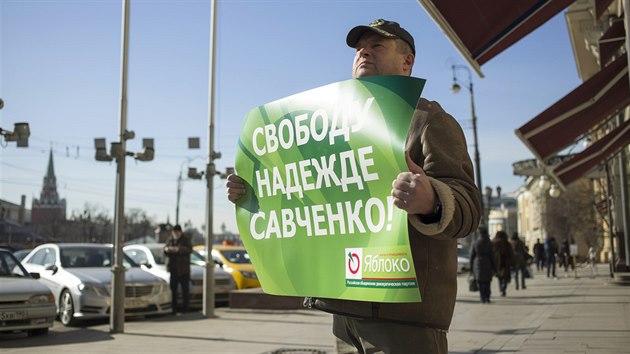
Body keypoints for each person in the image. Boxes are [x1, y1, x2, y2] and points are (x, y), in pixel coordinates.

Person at [226, 19, 482, 354]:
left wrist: (431, 199)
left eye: (377, 46)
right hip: (344, 311)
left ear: (407, 62)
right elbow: (308, 199)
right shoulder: (332, 129)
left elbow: (469, 209)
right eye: (360, 48)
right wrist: (256, 192)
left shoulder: (428, 120)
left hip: (404, 319)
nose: (363, 52)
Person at [164, 224, 192, 314]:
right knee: (173, 290)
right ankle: (174, 308)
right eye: (174, 232)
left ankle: (186, 308)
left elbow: (190, 249)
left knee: (185, 290)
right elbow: (164, 249)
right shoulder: (170, 239)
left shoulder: (185, 239)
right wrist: (167, 249)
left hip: (183, 270)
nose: (175, 234)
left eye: (177, 232)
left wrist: (178, 249)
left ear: (180, 232)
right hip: (173, 269)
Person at [469, 228, 496, 303]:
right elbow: (492, 256)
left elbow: (471, 256)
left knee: (480, 282)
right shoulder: (489, 242)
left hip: (477, 264)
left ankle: (482, 298)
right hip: (488, 263)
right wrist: (495, 268)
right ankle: (487, 297)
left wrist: (471, 268)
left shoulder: (475, 242)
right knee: (487, 281)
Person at [492, 231, 513, 297]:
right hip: (505, 262)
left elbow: (492, 253)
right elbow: (511, 253)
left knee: (499, 277)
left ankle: (501, 289)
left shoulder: (494, 243)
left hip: (497, 262)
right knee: (505, 276)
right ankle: (504, 287)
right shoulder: (507, 243)